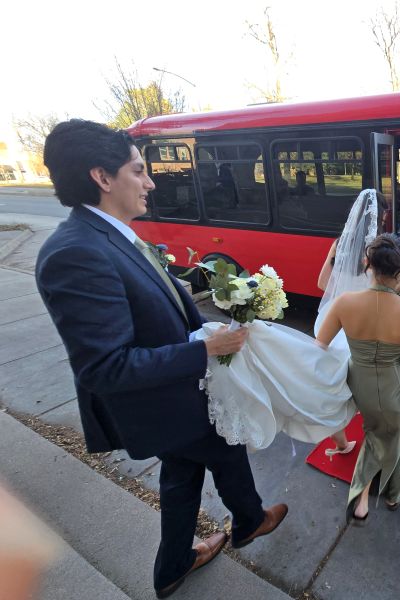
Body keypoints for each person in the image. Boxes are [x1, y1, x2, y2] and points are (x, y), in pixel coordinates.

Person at [35, 119, 287, 599]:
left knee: (182, 473)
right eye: (138, 171)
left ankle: (172, 566)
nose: (150, 182)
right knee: (226, 445)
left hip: (172, 398)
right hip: (162, 403)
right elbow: (105, 368)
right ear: (102, 179)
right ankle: (250, 520)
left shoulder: (112, 234)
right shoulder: (75, 253)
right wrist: (204, 349)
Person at [317, 234, 400, 521]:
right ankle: (386, 491)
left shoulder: (343, 302)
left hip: (359, 379)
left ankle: (370, 492)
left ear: (367, 263)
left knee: (375, 428)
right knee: (396, 434)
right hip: (395, 382)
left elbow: (320, 345)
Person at [315, 190, 400, 458]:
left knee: (334, 387)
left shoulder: (338, 244)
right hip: (368, 324)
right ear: (380, 215)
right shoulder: (379, 248)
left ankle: (341, 444)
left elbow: (323, 284)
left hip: (336, 322)